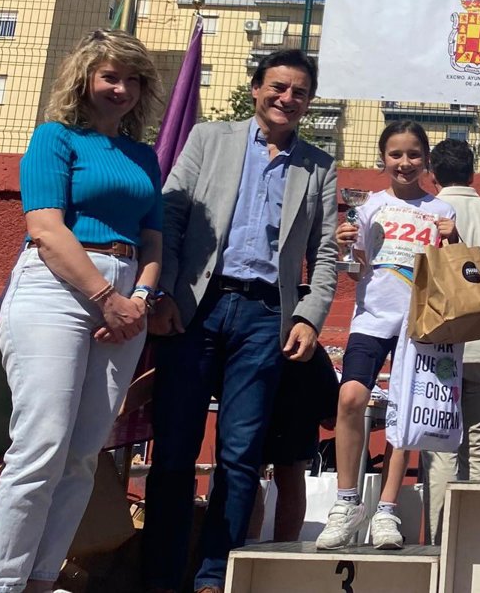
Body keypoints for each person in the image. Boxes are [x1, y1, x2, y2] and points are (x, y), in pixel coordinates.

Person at [143, 49, 339, 593]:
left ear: (309, 102)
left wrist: (309, 317)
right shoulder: (209, 139)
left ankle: (213, 576)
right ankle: (160, 578)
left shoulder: (319, 166)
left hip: (265, 317)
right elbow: (170, 216)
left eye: (299, 92)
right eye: (278, 87)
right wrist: (164, 292)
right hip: (195, 308)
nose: (287, 98)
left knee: (241, 454)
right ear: (256, 88)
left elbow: (325, 253)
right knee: (175, 448)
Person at [0, 30, 163, 593]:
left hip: (128, 294)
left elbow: (153, 238)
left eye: (133, 80)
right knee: (40, 447)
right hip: (57, 287)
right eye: (111, 76)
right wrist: (107, 300)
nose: (122, 89)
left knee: (82, 455)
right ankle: (1, 585)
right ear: (85, 79)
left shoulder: (143, 156)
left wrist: (139, 300)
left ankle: (41, 580)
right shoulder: (54, 138)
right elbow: (45, 229)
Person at [316, 121, 457, 550]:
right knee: (350, 398)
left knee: (404, 413)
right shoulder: (369, 206)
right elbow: (355, 268)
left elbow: (454, 273)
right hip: (372, 320)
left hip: (420, 325)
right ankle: (346, 503)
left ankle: (387, 510)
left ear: (426, 159)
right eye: (396, 154)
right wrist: (345, 244)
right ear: (383, 159)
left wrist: (455, 240)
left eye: (413, 154)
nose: (404, 162)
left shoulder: (441, 210)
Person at [421, 139, 480, 544]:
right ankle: (477, 540)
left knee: (440, 447)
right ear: (473, 173)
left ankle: (439, 541)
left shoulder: (429, 212)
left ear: (432, 175)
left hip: (440, 344)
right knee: (479, 443)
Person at [260, 345, 340, 541]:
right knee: (287, 477)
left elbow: (330, 419)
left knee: (249, 475)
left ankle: (260, 544)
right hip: (295, 385)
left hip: (290, 385)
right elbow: (330, 420)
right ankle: (278, 546)